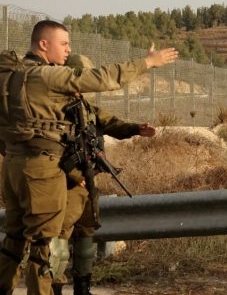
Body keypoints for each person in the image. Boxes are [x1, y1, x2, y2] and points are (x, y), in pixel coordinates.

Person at [0, 20, 178, 295]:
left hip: (14, 165)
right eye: (63, 43)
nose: (67, 50)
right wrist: (148, 63)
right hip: (42, 170)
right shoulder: (45, 76)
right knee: (45, 245)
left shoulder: (15, 77)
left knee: (14, 239)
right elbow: (103, 78)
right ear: (44, 44)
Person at [49, 54, 157, 295]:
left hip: (87, 179)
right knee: (60, 235)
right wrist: (74, 174)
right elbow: (49, 148)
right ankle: (54, 286)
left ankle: (82, 286)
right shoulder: (53, 107)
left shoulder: (85, 107)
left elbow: (109, 122)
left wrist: (136, 129)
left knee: (86, 229)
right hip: (65, 182)